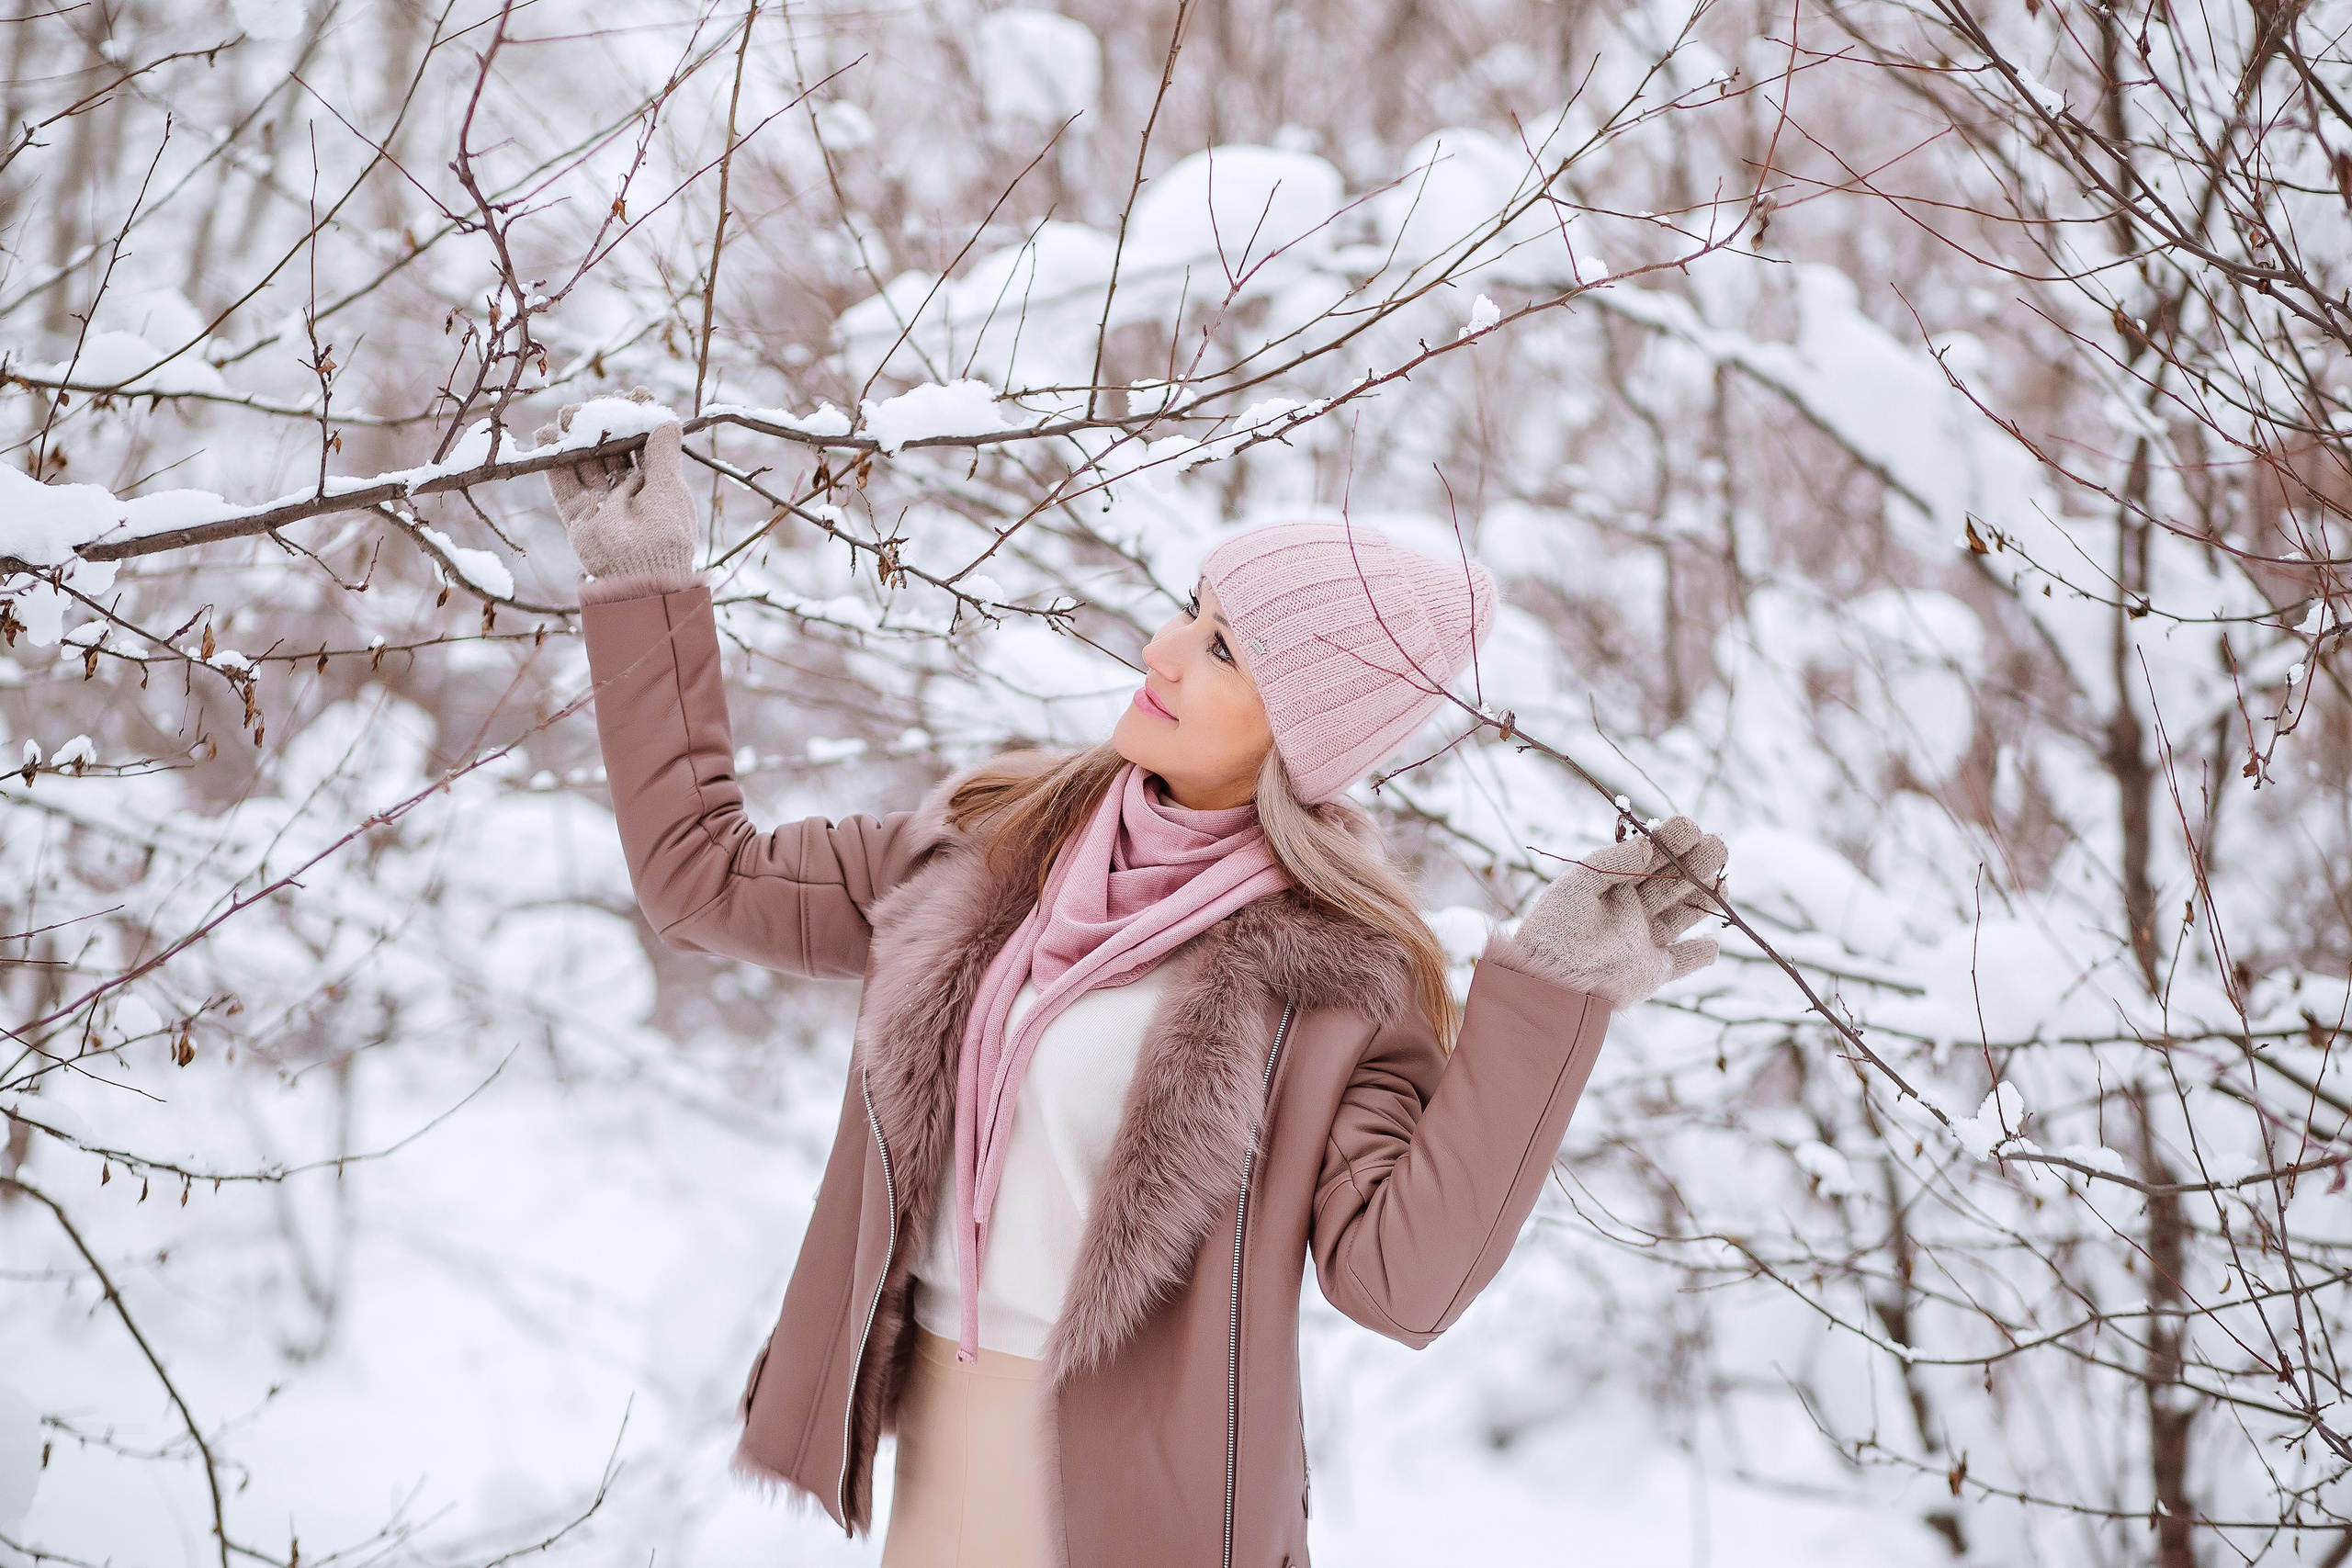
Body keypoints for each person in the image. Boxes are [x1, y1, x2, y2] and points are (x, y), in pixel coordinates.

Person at [542, 401, 1727, 1568]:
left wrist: (1552, 990)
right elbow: (701, 879)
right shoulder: (981, 852)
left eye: (1222, 650)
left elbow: (1398, 1284)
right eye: (1190, 612)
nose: (1160, 649)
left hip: (1151, 1516)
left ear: (1299, 736)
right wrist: (640, 579)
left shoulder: (1335, 985)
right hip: (942, 1464)